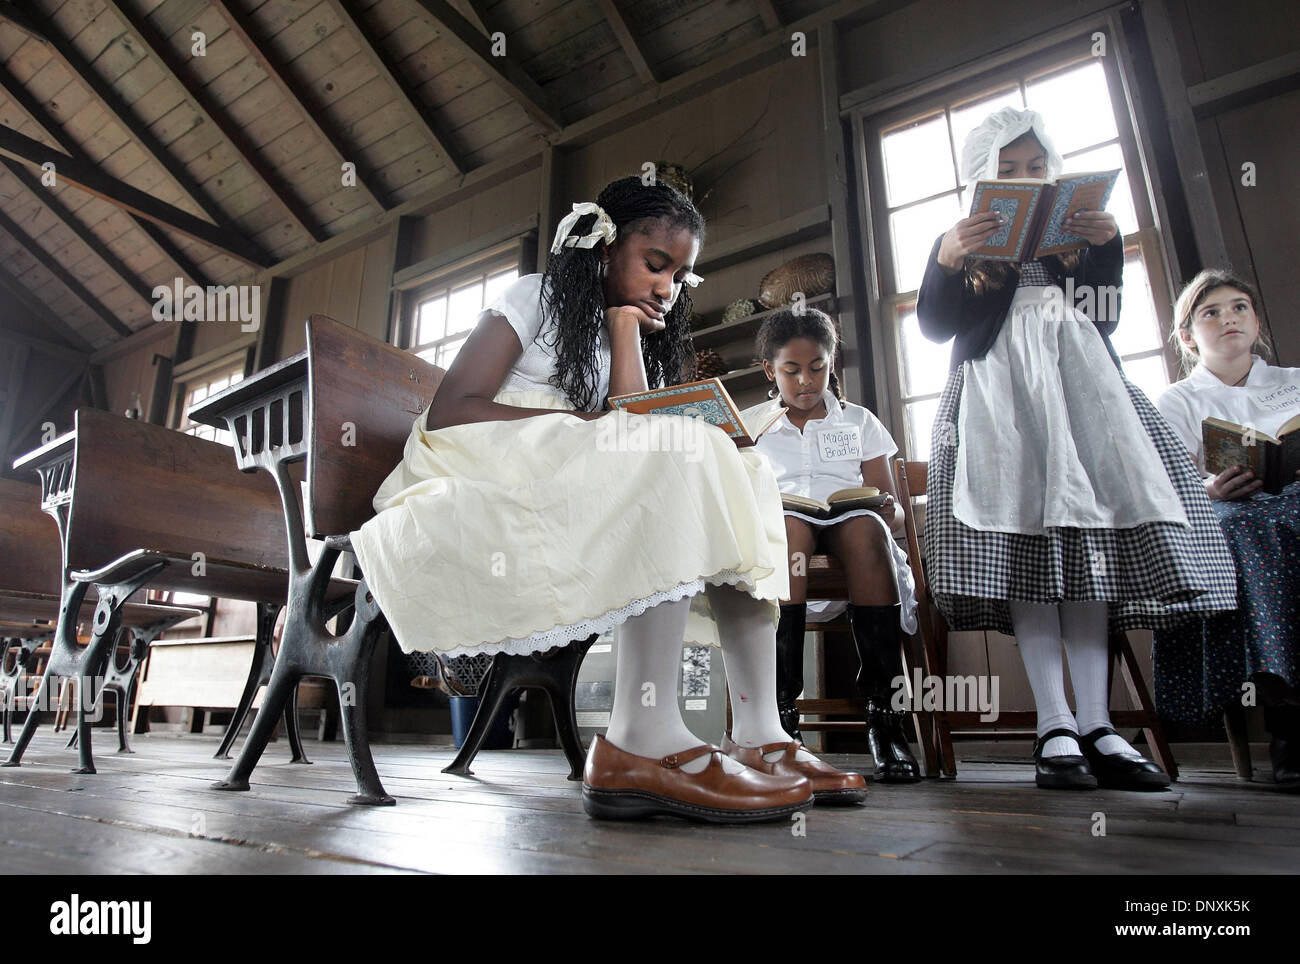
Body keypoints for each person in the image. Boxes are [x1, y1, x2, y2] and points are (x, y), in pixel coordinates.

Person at [350, 177, 866, 821]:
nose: (666, 288)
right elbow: (455, 410)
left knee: (747, 469)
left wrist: (623, 331)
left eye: (680, 277)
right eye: (656, 265)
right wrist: (593, 427)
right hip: (478, 454)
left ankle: (761, 733)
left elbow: (628, 416)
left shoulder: (615, 329)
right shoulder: (534, 295)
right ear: (602, 247)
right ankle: (641, 735)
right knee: (672, 449)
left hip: (565, 461)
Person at [915, 107, 1236, 791]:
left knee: (1088, 551)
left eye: (1037, 167)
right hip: (998, 401)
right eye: (1010, 170)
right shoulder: (961, 244)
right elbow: (938, 327)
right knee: (1030, 541)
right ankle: (1053, 723)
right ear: (982, 176)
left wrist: (1107, 246)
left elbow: (1107, 316)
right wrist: (946, 258)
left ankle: (1099, 724)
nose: (1027, 179)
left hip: (1084, 398)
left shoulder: (1080, 241)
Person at [743, 308, 922, 781]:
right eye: (792, 370)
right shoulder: (752, 427)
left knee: (867, 528)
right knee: (788, 529)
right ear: (770, 370)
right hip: (785, 527)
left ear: (831, 362)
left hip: (849, 521)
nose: (806, 380)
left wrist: (888, 509)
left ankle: (885, 722)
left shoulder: (859, 422)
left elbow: (897, 514)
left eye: (817, 366)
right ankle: (783, 720)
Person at [1153, 268, 1299, 791]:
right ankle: (1288, 720)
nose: (1228, 318)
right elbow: (1165, 487)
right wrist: (1208, 491)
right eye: (1210, 312)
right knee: (1247, 528)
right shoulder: (1176, 402)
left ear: (1256, 321)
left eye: (1239, 307)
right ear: (1189, 336)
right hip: (1231, 512)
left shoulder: (1295, 381)